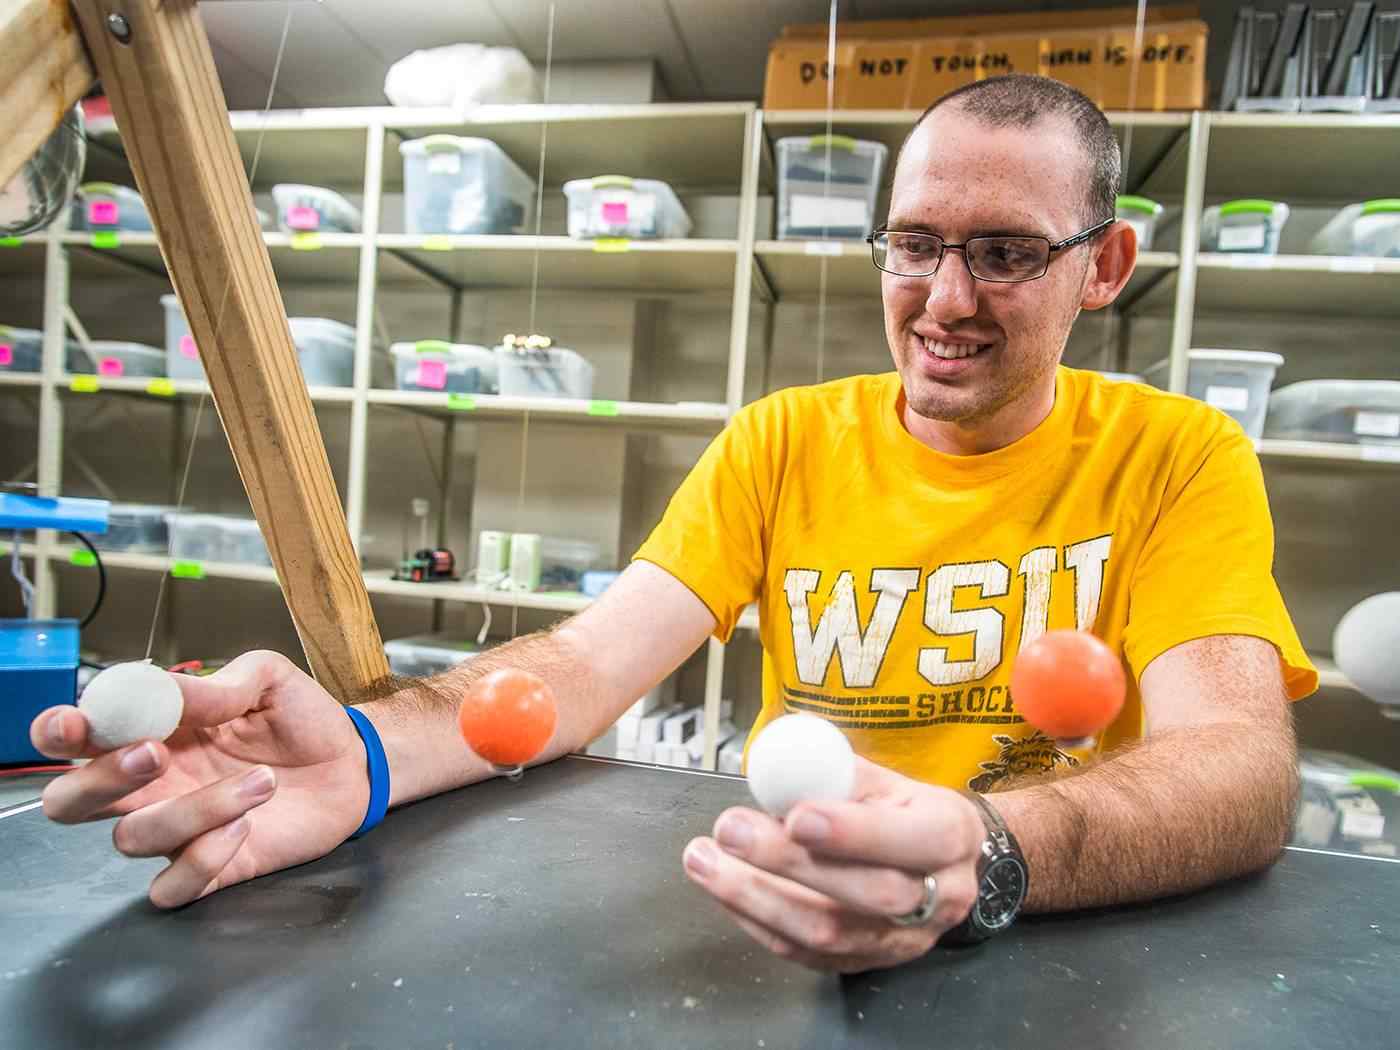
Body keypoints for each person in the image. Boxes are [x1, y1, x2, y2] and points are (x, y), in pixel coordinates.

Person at [29, 74, 1315, 974]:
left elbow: (1238, 768)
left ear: (1101, 266)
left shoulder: (1176, 455)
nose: (943, 299)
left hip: (1065, 947)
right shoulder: (782, 441)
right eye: (912, 244)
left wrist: (984, 856)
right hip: (784, 926)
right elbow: (582, 667)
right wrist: (360, 752)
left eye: (1005, 253)